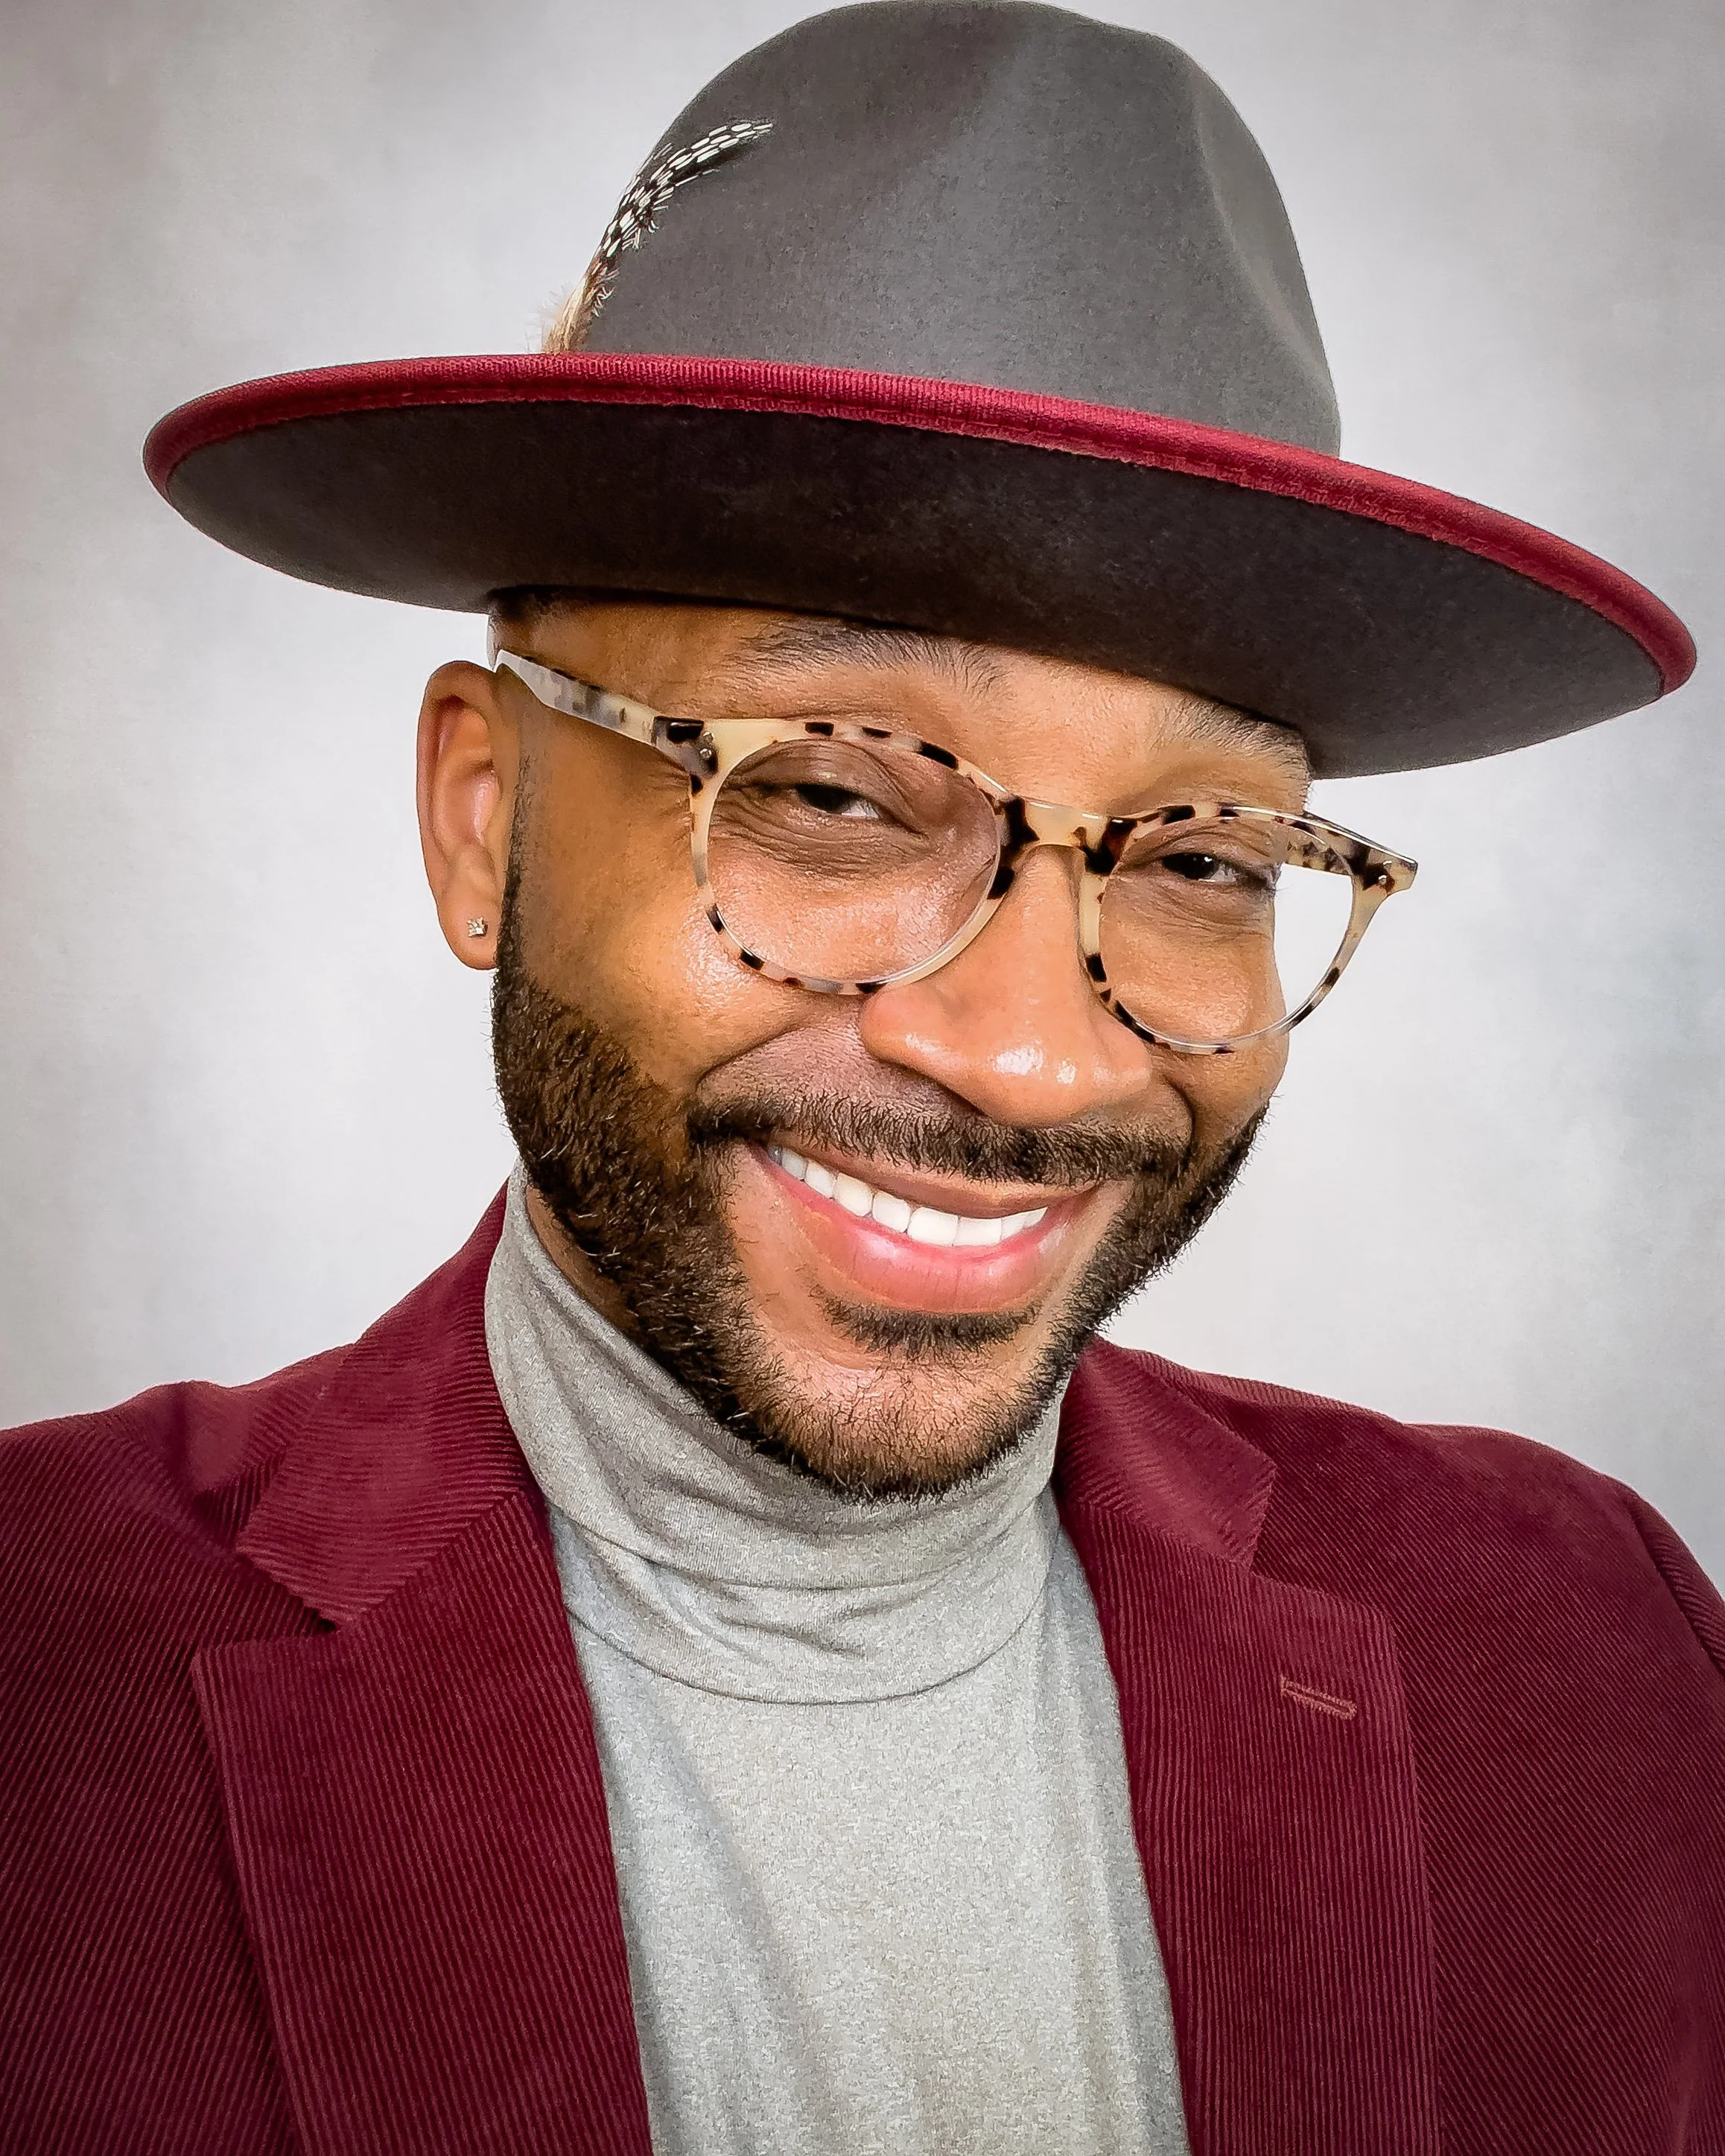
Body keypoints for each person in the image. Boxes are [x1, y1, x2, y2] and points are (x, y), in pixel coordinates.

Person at [2, 5, 1720, 2153]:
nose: (1020, 1052)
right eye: (826, 795)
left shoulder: (1591, 1654)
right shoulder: (34, 1689)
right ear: (478, 813)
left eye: (1197, 855)